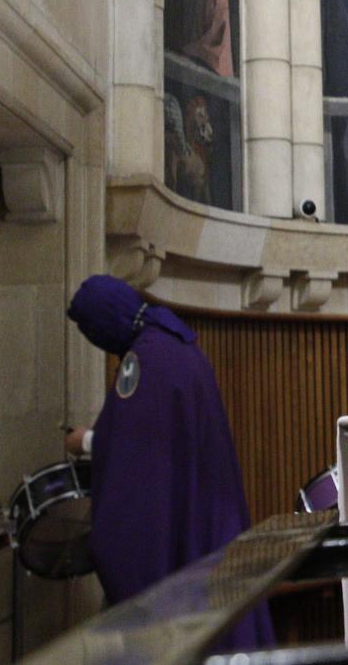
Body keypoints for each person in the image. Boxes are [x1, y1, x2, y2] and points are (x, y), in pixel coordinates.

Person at [63, 275, 272, 648]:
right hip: (210, 513)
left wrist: (86, 442)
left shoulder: (143, 361)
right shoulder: (175, 343)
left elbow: (137, 459)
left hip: (186, 533)